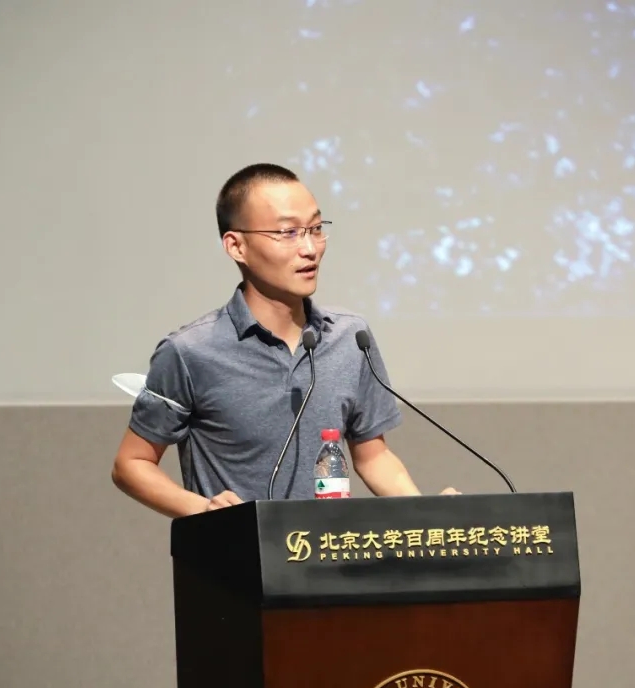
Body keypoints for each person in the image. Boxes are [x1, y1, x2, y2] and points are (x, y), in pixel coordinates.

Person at [111, 163, 457, 517]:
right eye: (288, 232)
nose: (310, 249)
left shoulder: (351, 338)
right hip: (236, 550)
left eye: (316, 229)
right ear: (236, 246)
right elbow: (131, 464)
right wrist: (207, 510)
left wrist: (426, 513)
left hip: (327, 550)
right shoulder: (190, 351)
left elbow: (373, 457)